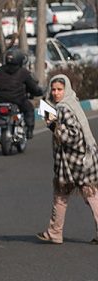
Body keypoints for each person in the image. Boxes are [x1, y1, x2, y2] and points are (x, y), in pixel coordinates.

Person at [37, 75, 98, 245]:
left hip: (76, 162)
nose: (56, 93)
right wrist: (52, 123)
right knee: (63, 196)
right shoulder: (71, 103)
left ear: (67, 90)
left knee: (88, 196)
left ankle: (55, 232)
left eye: (60, 90)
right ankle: (54, 232)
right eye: (54, 89)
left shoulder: (64, 107)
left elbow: (73, 134)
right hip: (77, 161)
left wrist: (55, 125)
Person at [0, 47, 43, 139]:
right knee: (29, 109)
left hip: (0, 100)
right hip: (18, 100)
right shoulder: (23, 72)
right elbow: (33, 87)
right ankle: (29, 130)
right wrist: (39, 92)